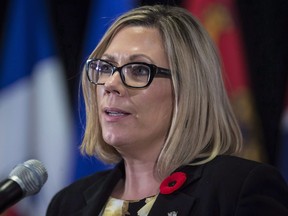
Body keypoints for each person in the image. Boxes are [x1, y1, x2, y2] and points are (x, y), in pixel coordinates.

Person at [46, 4, 288, 216]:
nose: (110, 85)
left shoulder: (237, 190)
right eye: (106, 67)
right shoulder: (69, 203)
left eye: (139, 70)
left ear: (187, 90)